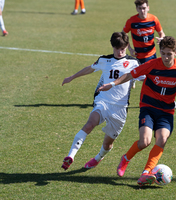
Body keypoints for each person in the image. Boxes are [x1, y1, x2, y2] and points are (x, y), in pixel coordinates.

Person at [98, 36, 176, 186]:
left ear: (175, 53)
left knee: (162, 139)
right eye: (163, 53)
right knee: (145, 141)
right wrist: (112, 84)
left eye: (169, 54)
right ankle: (125, 159)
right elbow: (130, 74)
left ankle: (146, 173)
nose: (165, 57)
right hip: (148, 108)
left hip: (166, 112)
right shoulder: (152, 64)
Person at [61, 32, 144, 171]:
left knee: (107, 145)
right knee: (89, 124)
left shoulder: (134, 63)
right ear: (112, 46)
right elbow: (89, 68)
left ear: (127, 46)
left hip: (120, 108)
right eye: (117, 48)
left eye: (122, 48)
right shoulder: (104, 60)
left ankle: (98, 158)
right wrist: (72, 77)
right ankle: (70, 156)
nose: (120, 51)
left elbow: (146, 79)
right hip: (103, 101)